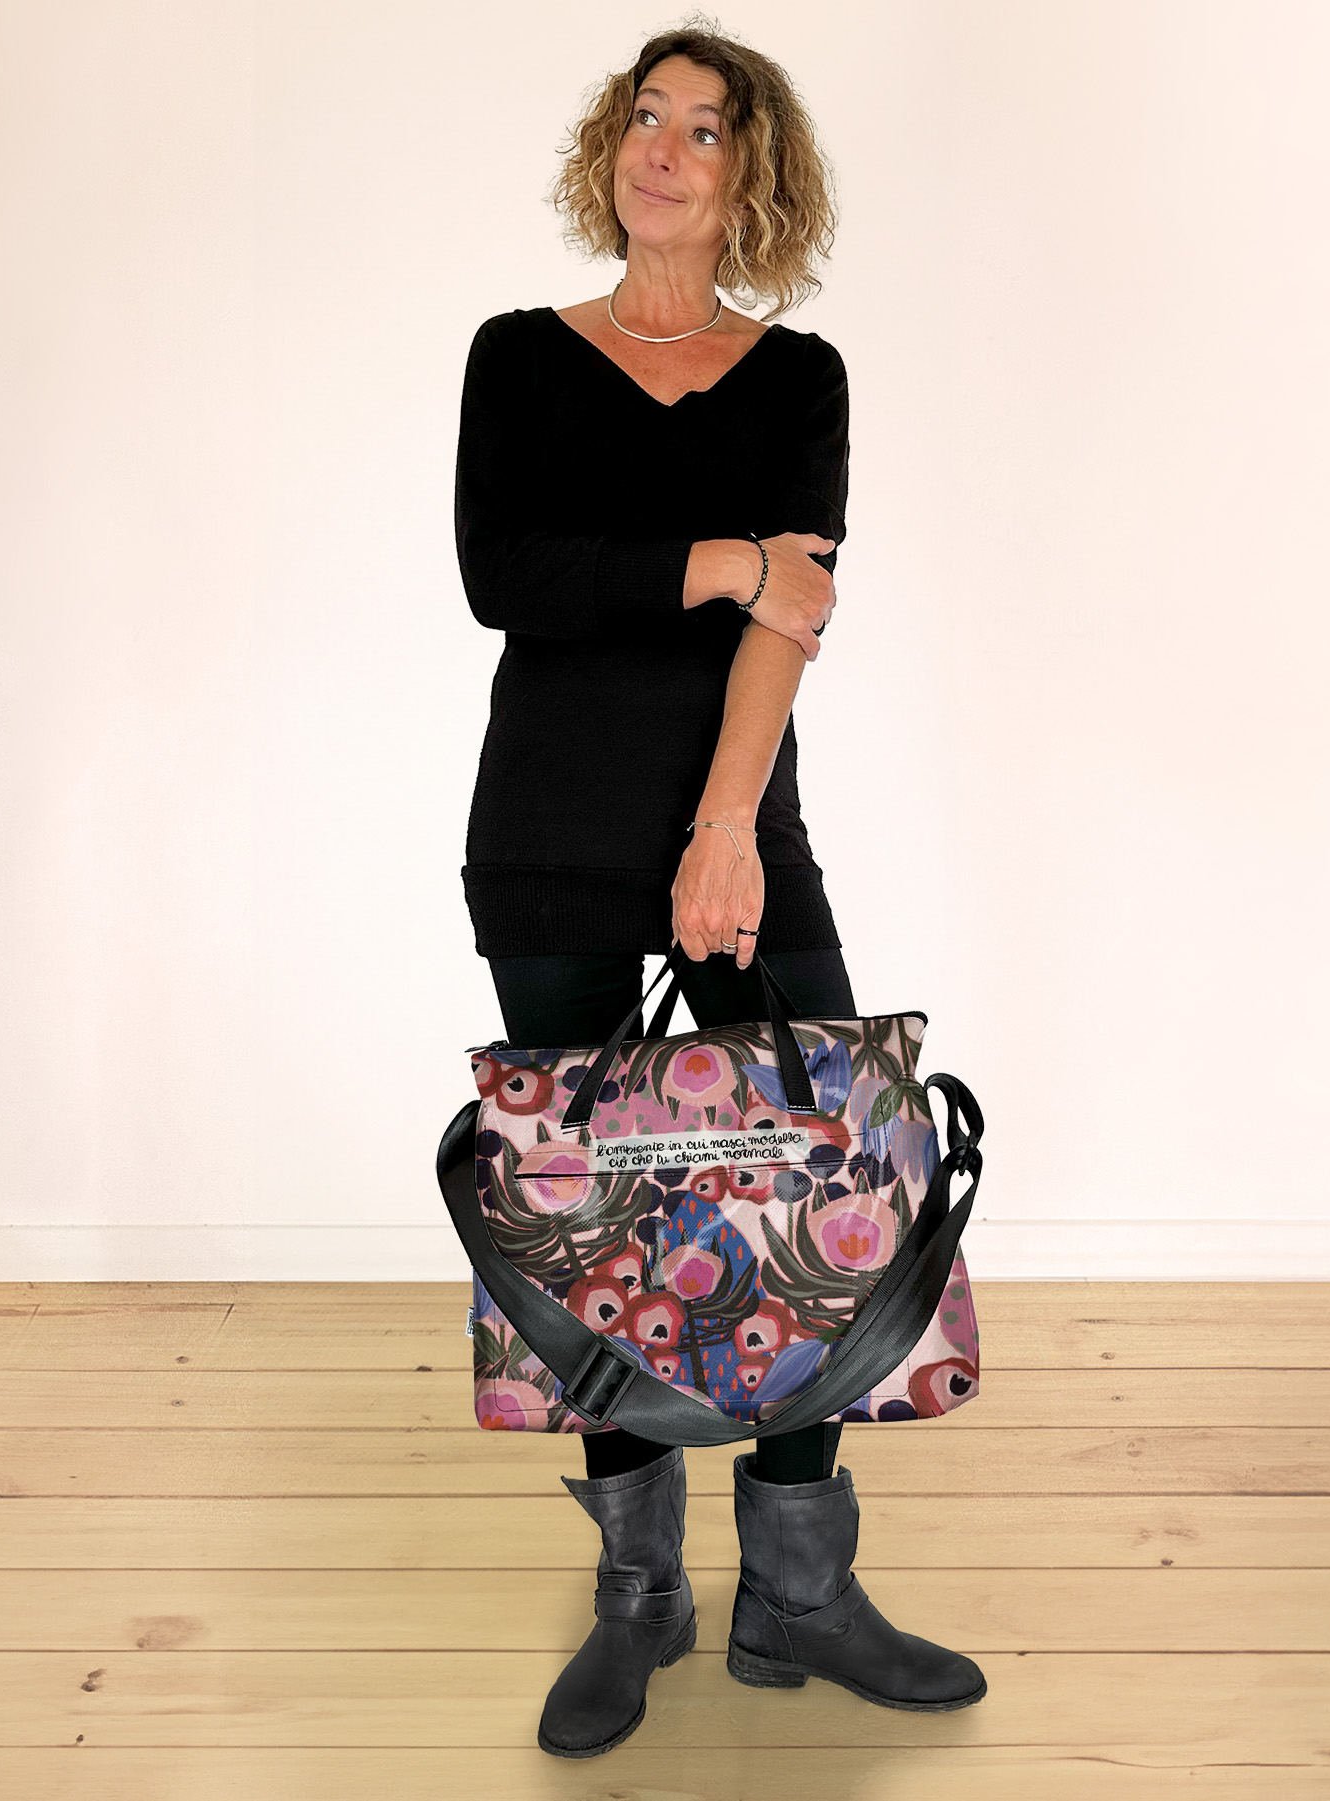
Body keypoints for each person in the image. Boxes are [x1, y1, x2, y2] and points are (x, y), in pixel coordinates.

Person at [452, 21, 987, 1759]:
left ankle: (799, 1592)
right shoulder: (517, 357)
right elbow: (508, 577)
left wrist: (728, 824)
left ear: (752, 176)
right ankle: (640, 1592)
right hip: (545, 821)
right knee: (585, 1213)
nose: (663, 150)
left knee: (825, 1164)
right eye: (644, 118)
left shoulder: (797, 378)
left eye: (704, 129)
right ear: (607, 149)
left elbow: (793, 616)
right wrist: (724, 557)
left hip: (735, 825)